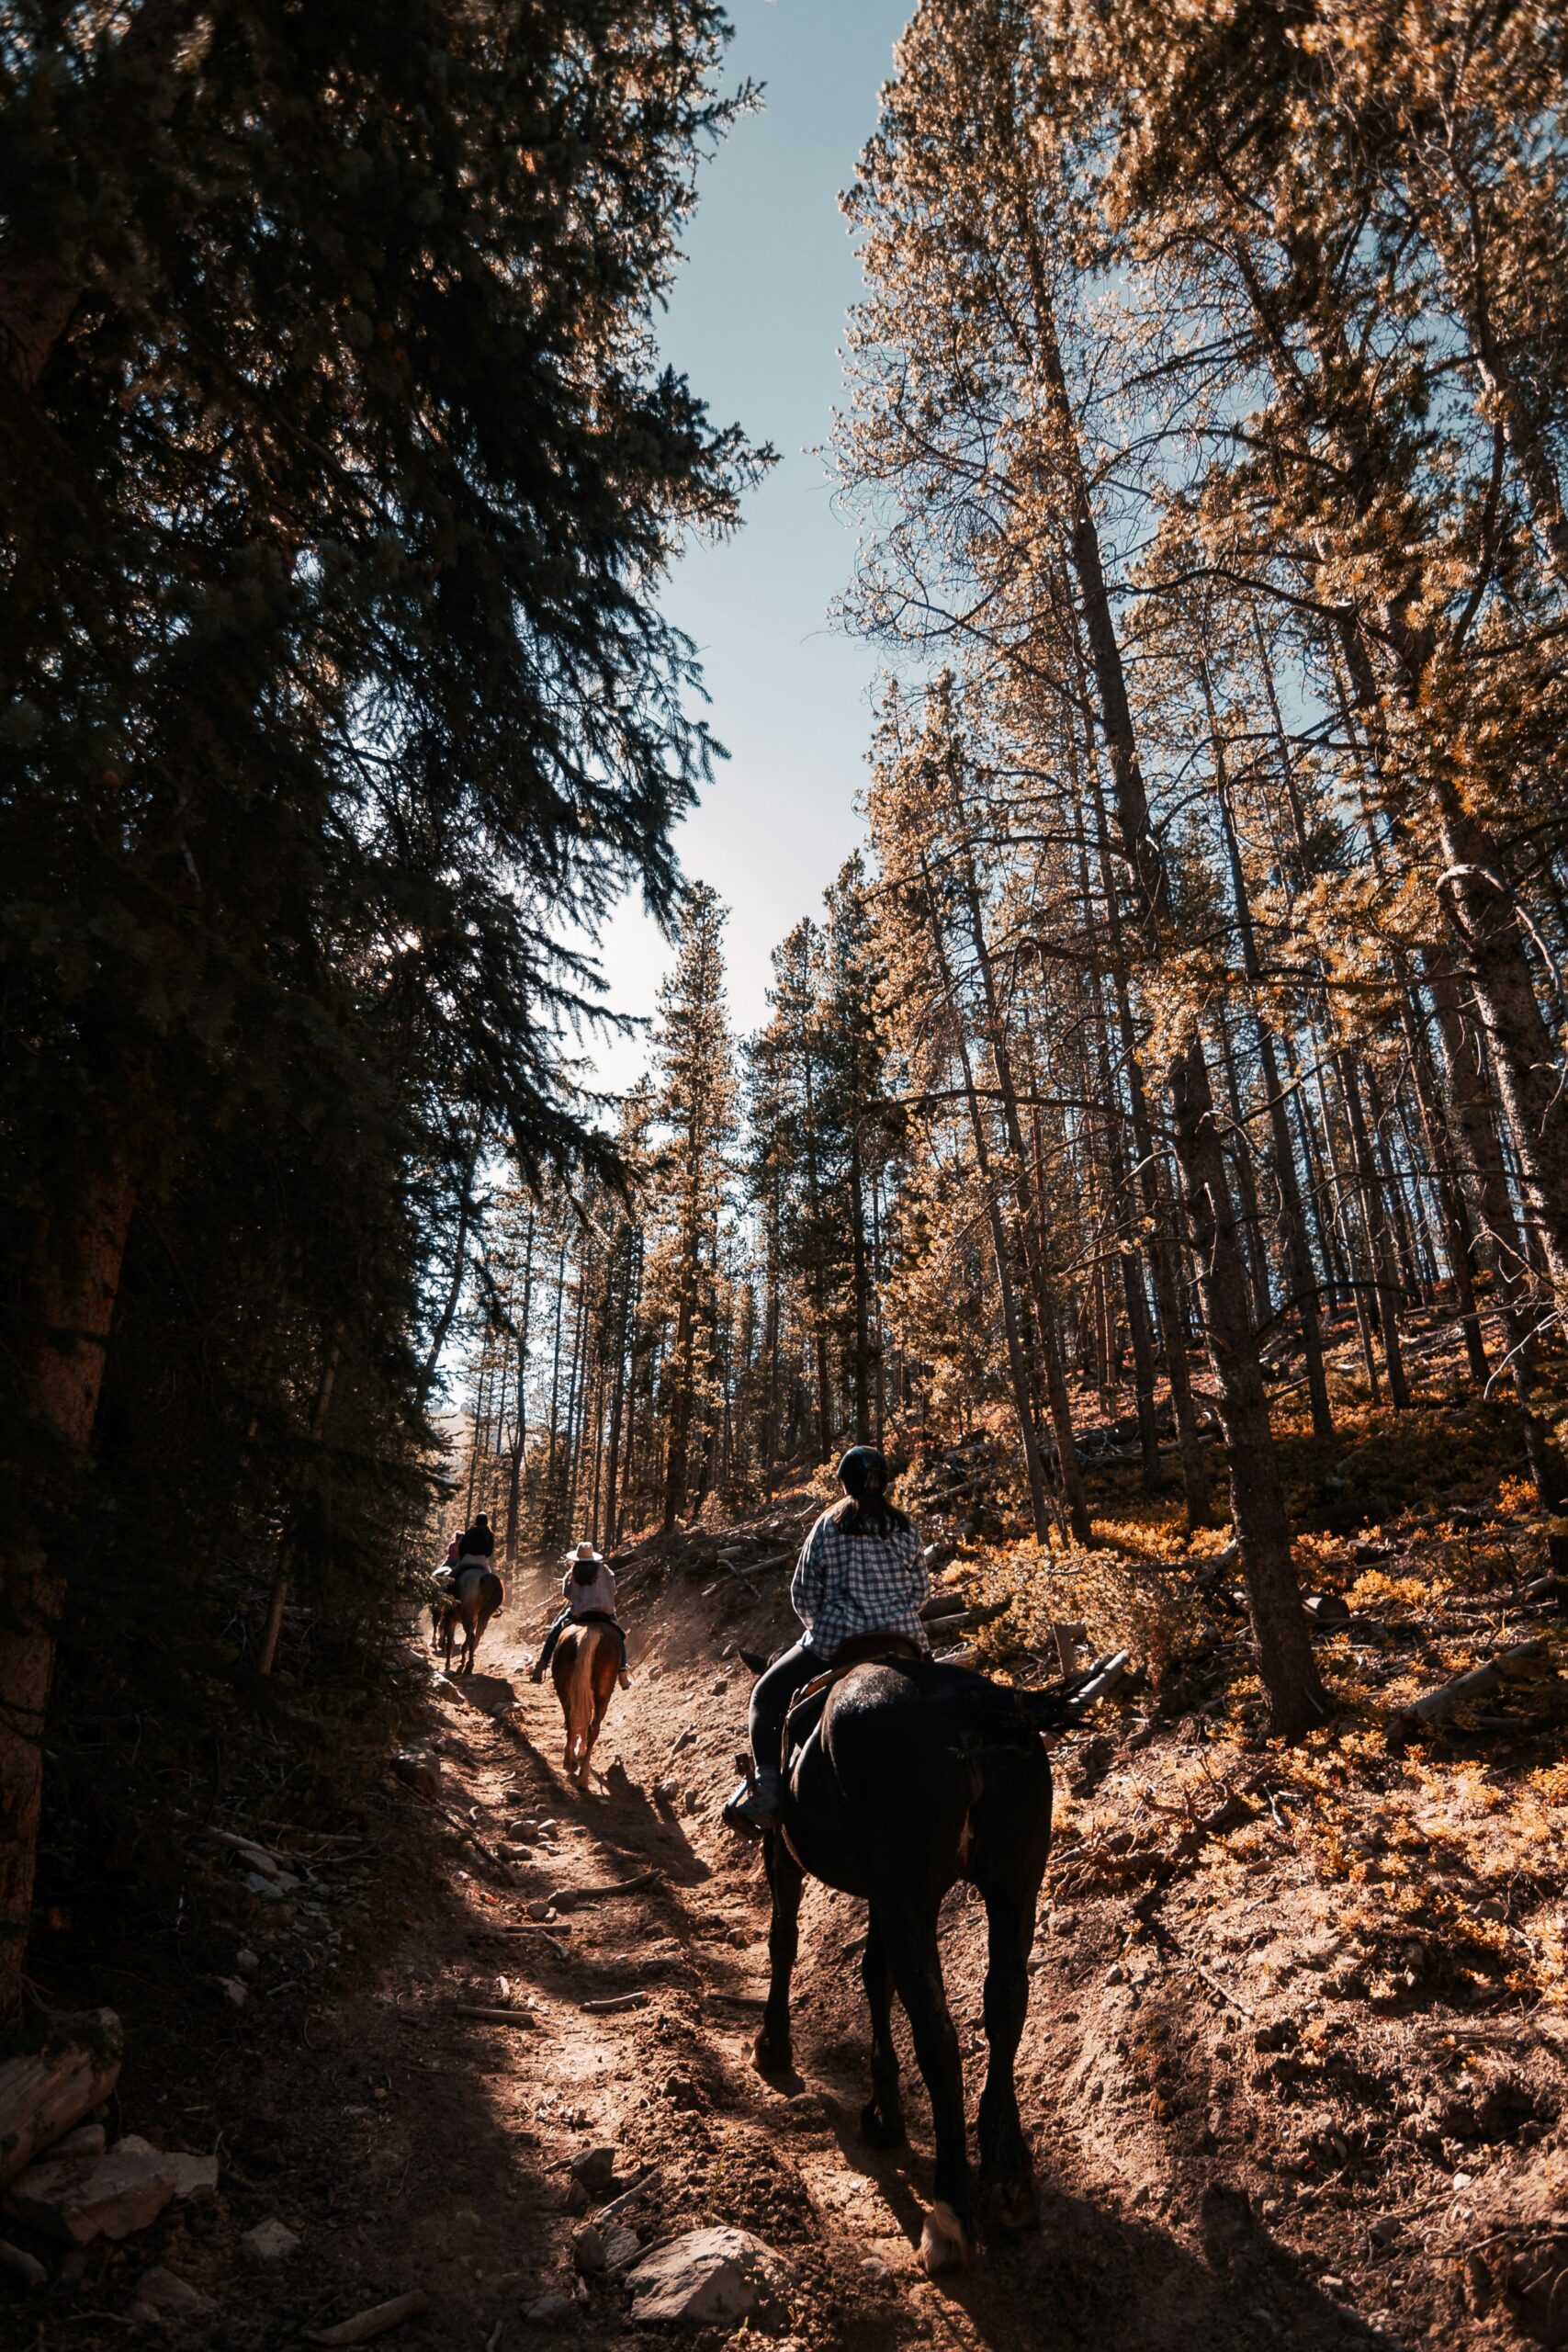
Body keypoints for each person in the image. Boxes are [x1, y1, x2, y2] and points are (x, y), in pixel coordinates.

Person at [724, 1445, 929, 1833]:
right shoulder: (905, 1526)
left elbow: (802, 1593)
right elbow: (920, 1593)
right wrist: (893, 1612)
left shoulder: (829, 1523)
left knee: (765, 1697)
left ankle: (767, 1790)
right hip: (904, 1642)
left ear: (845, 1482)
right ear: (882, 1481)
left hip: (839, 1641)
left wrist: (824, 1624)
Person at [530, 1541, 630, 1689]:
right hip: (605, 1612)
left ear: (577, 1558)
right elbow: (613, 1589)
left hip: (579, 1612)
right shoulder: (605, 1570)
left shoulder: (574, 1572)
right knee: (619, 1636)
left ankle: (541, 1665)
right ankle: (622, 1673)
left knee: (554, 1632)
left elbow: (567, 1593)